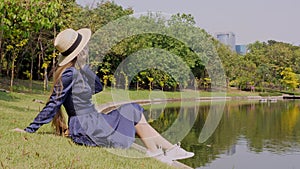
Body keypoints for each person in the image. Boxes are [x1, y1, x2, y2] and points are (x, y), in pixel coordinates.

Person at [13, 28, 194, 163]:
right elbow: (53, 104)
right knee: (131, 110)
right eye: (85, 47)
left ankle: (159, 150)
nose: (87, 49)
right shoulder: (70, 75)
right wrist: (29, 130)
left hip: (93, 121)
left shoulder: (77, 72)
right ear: (80, 51)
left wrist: (84, 67)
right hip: (87, 126)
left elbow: (98, 87)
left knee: (132, 110)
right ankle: (164, 150)